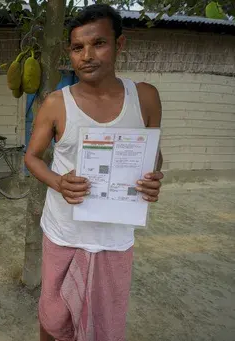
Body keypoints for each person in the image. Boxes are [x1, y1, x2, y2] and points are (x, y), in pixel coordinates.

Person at [24, 5, 164, 341]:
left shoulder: (144, 97)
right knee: (54, 318)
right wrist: (58, 182)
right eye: (77, 48)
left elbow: (154, 154)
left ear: (120, 44)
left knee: (104, 321)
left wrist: (153, 177)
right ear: (69, 52)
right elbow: (32, 157)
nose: (87, 55)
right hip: (64, 232)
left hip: (114, 239)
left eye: (98, 43)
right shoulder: (57, 103)